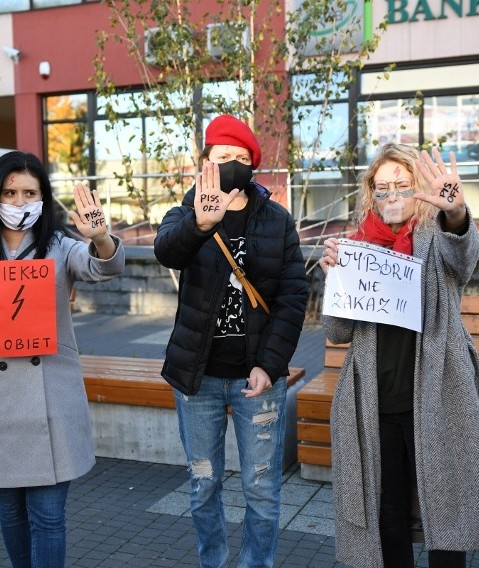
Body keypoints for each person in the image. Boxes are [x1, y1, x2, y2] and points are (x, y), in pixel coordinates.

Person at [318, 144, 479, 568]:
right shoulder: (356, 247)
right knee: (386, 515)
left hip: (434, 398)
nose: (392, 195)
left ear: (418, 190)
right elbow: (337, 333)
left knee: (446, 511)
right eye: (382, 187)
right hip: (375, 402)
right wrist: (333, 282)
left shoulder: (435, 237)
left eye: (402, 186)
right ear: (371, 192)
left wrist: (457, 213)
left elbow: (464, 256)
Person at [0, 151, 125, 568]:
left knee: (49, 518)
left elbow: (103, 267)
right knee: (10, 513)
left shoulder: (59, 245)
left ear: (43, 196)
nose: (19, 203)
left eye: (30, 193)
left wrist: (101, 236)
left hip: (50, 398)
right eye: (10, 193)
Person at [154, 114, 309, 568]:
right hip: (197, 377)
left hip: (256, 377)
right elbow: (167, 250)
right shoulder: (185, 213)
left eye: (242, 159)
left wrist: (271, 363)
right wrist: (201, 223)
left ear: (254, 167)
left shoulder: (277, 220)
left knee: (261, 487)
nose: (233, 165)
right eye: (223, 157)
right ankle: (215, 563)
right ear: (205, 162)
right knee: (204, 485)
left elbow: (293, 294)